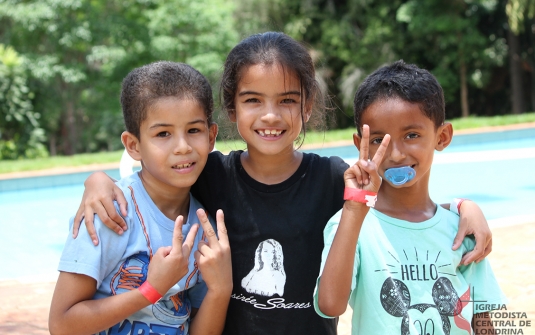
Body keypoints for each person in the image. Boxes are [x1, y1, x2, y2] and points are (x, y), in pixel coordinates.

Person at [71, 33, 493, 334]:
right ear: (232, 111)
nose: (270, 115)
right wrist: (97, 180)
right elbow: (152, 176)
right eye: (253, 100)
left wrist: (462, 207)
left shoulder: (331, 178)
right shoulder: (213, 174)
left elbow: (400, 195)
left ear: (307, 107)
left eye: (287, 101)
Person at [314, 60, 506, 334]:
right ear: (362, 146)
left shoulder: (462, 230)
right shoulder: (350, 225)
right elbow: (331, 305)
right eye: (379, 140)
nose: (395, 154)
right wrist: (354, 210)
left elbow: (483, 322)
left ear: (442, 137)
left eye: (412, 135)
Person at [48, 61, 232, 335]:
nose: (182, 147)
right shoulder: (109, 211)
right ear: (134, 145)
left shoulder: (205, 231)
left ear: (211, 136)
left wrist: (221, 289)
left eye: (194, 130)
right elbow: (62, 325)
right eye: (163, 134)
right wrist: (151, 290)